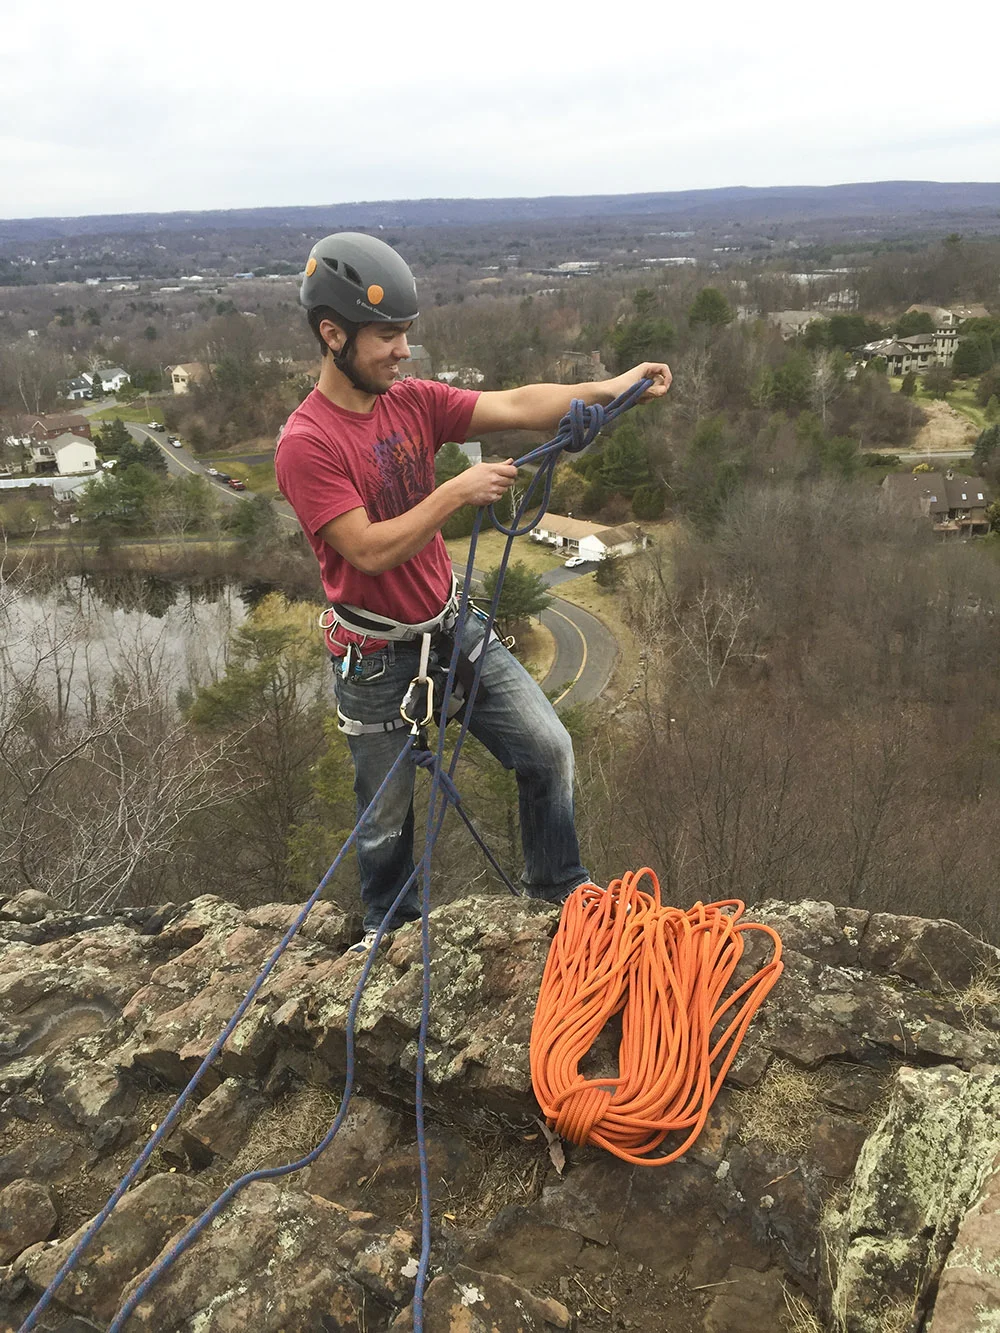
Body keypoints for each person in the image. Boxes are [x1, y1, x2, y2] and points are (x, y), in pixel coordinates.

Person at [275, 232, 671, 954]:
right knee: (386, 820)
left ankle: (558, 891)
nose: (403, 351)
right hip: (376, 656)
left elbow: (518, 402)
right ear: (332, 335)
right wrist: (454, 491)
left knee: (548, 749)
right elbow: (365, 547)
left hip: (449, 626)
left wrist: (612, 387)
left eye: (406, 335)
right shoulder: (308, 443)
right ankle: (390, 936)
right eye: (387, 336)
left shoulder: (412, 402)